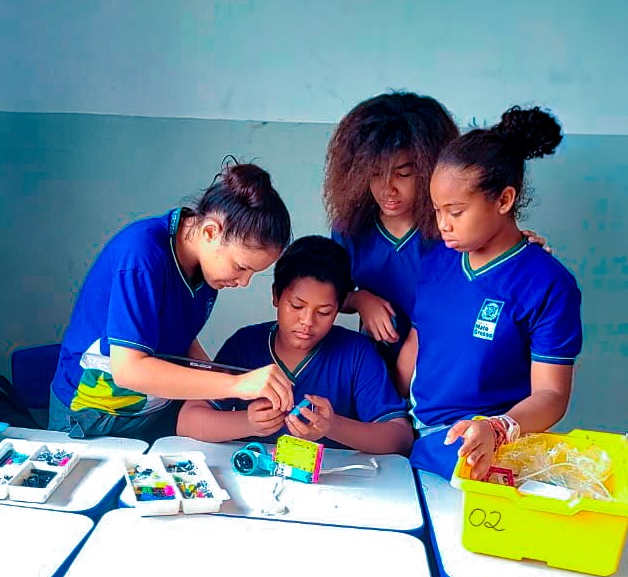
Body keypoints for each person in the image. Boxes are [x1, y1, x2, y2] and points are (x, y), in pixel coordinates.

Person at [396, 106, 583, 481]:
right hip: (414, 442)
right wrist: (385, 414)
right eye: (437, 210)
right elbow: (419, 343)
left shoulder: (547, 283)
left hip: (482, 449)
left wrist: (498, 427)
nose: (443, 224)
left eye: (456, 211)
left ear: (503, 200)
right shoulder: (437, 262)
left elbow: (551, 396)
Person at [49, 162, 295, 443]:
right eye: (241, 267)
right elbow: (129, 370)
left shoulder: (206, 269)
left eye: (253, 272)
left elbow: (180, 340)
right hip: (93, 417)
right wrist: (236, 384)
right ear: (210, 232)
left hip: (155, 412)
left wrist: (231, 385)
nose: (244, 281)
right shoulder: (142, 255)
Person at [324, 92, 546, 368]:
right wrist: (360, 299)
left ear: (432, 170)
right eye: (375, 174)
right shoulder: (351, 229)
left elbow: (498, 270)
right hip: (375, 368)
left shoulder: (455, 233)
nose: (387, 188)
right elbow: (327, 295)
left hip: (445, 370)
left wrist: (523, 251)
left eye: (403, 174)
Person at [177, 235, 414, 455]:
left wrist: (332, 426)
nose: (307, 322)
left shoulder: (357, 354)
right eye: (296, 306)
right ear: (276, 296)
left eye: (323, 312)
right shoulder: (245, 345)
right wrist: (247, 422)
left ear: (340, 308)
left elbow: (400, 438)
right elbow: (188, 422)